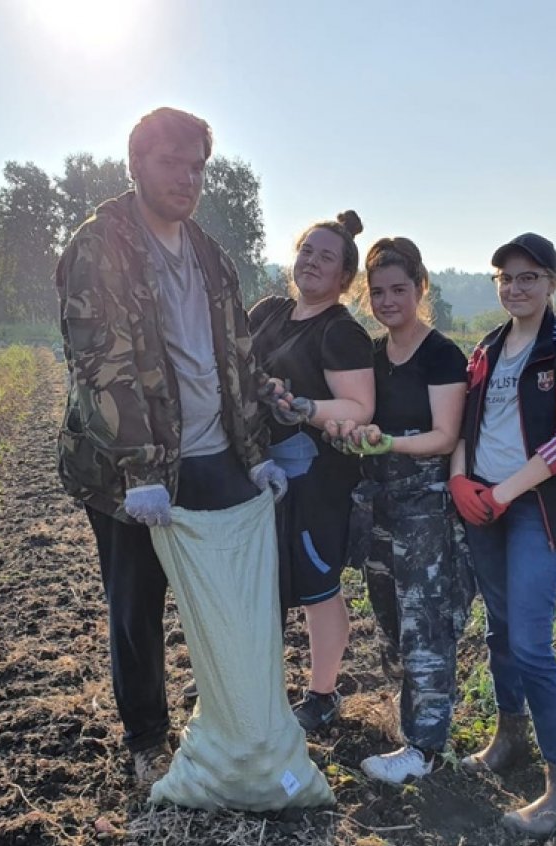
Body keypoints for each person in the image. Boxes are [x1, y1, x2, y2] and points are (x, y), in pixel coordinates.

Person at [55, 107, 288, 785]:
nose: (186, 179)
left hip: (213, 451)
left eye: (197, 167)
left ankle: (234, 722)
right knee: (136, 605)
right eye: (170, 163)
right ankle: (147, 738)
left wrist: (254, 451)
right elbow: (101, 366)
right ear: (136, 165)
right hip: (131, 468)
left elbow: (236, 359)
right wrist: (138, 471)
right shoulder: (99, 247)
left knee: (237, 596)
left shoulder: (210, 254)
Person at [449, 232, 556, 837]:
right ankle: (507, 736)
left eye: (528, 278)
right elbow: (468, 419)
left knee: (534, 644)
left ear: (551, 285)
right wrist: (462, 478)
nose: (515, 288)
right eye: (505, 279)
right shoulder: (487, 348)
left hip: (530, 509)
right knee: (500, 631)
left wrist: (504, 492)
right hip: (483, 500)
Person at [326, 237, 474, 784]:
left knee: (426, 624)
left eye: (399, 290)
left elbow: (444, 435)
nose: (389, 301)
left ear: (421, 288)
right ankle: (415, 719)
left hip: (425, 509)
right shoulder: (370, 355)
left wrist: (385, 441)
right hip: (380, 505)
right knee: (389, 617)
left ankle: (424, 748)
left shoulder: (440, 354)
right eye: (379, 291)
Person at [248, 212, 375, 732]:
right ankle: (253, 678)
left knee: (317, 583)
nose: (313, 262)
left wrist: (301, 406)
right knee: (258, 581)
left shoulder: (340, 331)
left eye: (327, 257)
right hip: (256, 471)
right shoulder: (268, 311)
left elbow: (359, 408)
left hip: (315, 479)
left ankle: (322, 694)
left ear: (345, 278)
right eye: (307, 251)